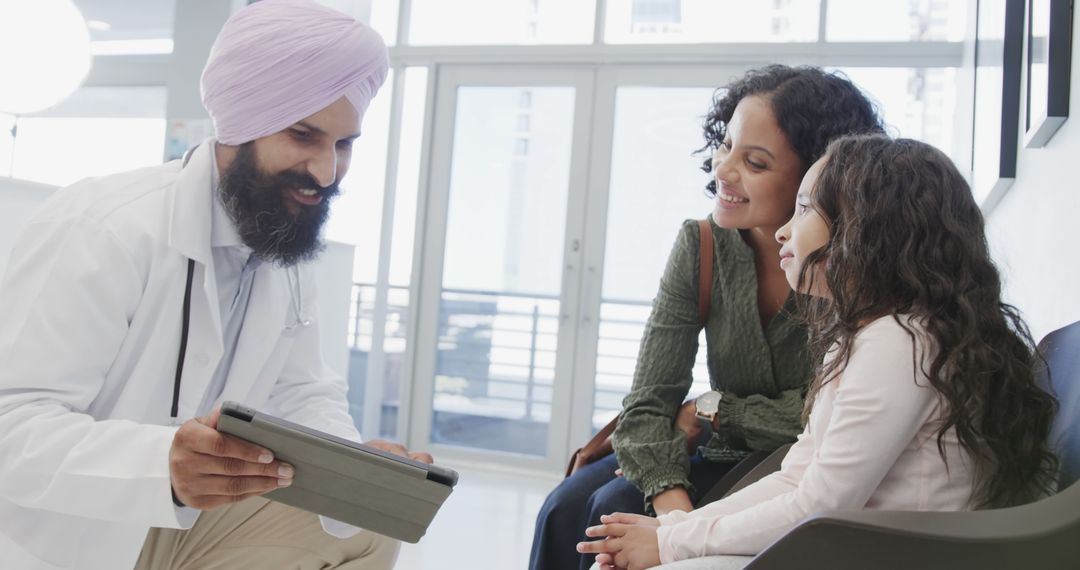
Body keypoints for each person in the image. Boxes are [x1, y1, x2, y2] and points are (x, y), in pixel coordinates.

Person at [0, 2, 430, 569]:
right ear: (241, 123)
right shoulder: (103, 226)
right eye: (304, 135)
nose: (326, 173)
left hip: (184, 520)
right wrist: (163, 466)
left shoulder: (282, 242)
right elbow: (11, 426)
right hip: (64, 532)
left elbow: (303, 392)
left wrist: (352, 468)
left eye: (343, 145)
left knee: (365, 525)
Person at [580, 135, 1060, 570]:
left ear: (868, 229)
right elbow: (796, 479)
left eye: (805, 209)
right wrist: (673, 532)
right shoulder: (874, 336)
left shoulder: (900, 342)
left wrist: (668, 545)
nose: (783, 232)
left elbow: (818, 504)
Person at [529, 65, 885, 570]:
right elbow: (649, 403)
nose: (724, 170)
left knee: (611, 510)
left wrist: (714, 409)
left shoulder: (848, 269)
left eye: (755, 163)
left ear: (818, 178)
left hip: (790, 465)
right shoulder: (701, 244)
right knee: (566, 509)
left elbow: (822, 415)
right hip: (708, 454)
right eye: (726, 145)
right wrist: (672, 504)